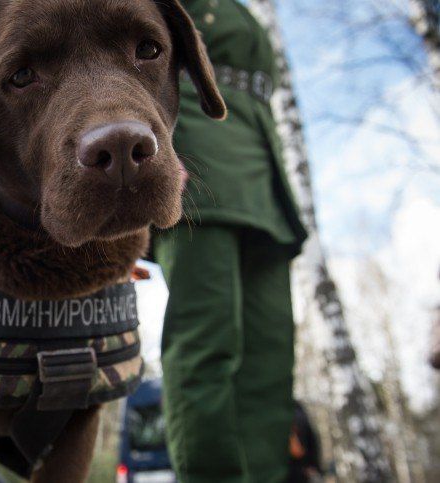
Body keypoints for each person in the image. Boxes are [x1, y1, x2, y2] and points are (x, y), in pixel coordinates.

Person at [151, 0, 308, 482]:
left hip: (262, 174)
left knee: (271, 348)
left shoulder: (243, 10)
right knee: (207, 340)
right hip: (198, 163)